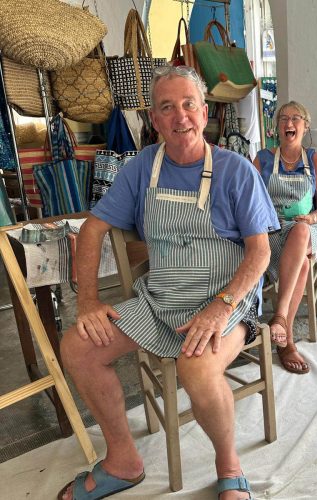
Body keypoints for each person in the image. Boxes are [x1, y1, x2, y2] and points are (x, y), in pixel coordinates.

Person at [57, 66, 279, 500]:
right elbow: (93, 229)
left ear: (204, 112)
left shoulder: (235, 170)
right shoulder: (142, 167)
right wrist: (87, 301)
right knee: (78, 347)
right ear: (154, 120)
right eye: (167, 107)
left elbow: (260, 252)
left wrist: (221, 307)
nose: (180, 117)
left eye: (189, 105)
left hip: (227, 302)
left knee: (195, 368)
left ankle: (229, 467)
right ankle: (123, 461)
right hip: (160, 300)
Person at [253, 101, 317, 375]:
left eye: (296, 118)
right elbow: (249, 200)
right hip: (270, 231)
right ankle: (286, 340)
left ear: (305, 126)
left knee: (300, 230)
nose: (289, 123)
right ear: (277, 127)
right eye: (283, 118)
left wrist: (313, 217)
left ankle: (280, 316)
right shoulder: (263, 159)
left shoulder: (315, 160)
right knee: (304, 265)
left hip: (305, 228)